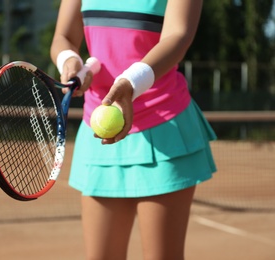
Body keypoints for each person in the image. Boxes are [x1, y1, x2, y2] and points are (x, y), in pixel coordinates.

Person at [50, 0, 216, 259]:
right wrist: (69, 59)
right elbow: (64, 36)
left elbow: (178, 35)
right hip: (99, 133)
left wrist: (131, 82)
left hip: (164, 130)